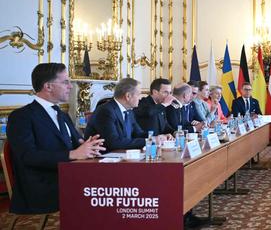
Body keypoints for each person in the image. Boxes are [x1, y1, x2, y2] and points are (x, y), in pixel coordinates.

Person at [7, 63, 105, 214]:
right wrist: (74, 154)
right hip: (42, 189)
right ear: (48, 86)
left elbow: (77, 144)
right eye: (65, 82)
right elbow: (28, 156)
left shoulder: (62, 115)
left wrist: (90, 147)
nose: (71, 87)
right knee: (101, 199)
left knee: (109, 189)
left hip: (68, 178)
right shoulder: (21, 117)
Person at [85, 78, 170, 151]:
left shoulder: (129, 111)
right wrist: (151, 140)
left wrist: (159, 137)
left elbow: (138, 134)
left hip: (122, 155)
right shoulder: (105, 111)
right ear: (128, 96)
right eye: (138, 94)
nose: (139, 98)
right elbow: (114, 142)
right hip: (103, 159)